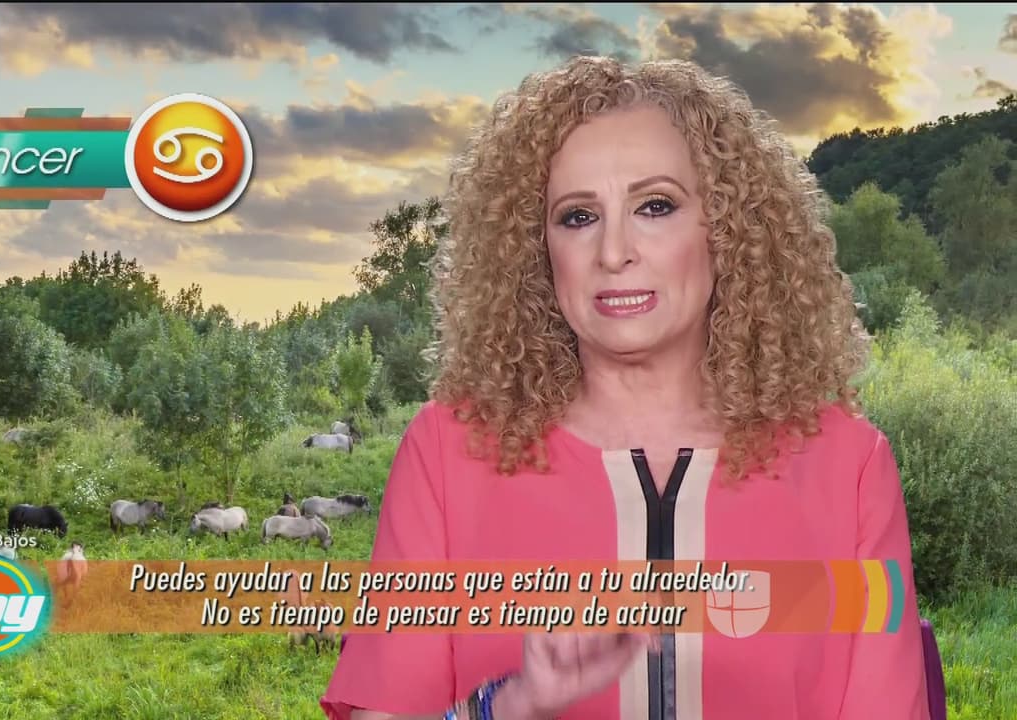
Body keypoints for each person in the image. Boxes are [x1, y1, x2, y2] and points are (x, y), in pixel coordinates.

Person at [319, 55, 931, 720]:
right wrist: (512, 706)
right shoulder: (446, 453)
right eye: (577, 216)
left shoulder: (849, 466)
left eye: (655, 206)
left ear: (728, 228)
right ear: (535, 250)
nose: (613, 252)